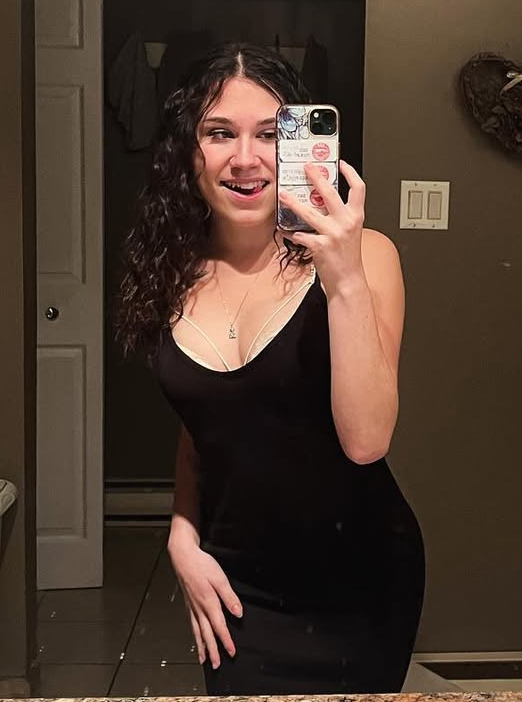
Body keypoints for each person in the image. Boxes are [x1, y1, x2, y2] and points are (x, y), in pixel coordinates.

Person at [114, 42, 425, 696]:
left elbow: (367, 440)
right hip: (235, 581)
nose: (246, 157)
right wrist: (181, 536)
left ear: (301, 146)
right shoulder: (168, 271)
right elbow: (204, 427)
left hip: (358, 580)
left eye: (269, 133)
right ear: (188, 152)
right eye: (219, 133)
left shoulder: (367, 257)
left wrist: (343, 280)